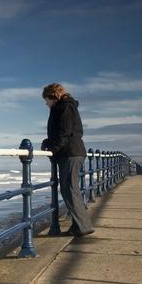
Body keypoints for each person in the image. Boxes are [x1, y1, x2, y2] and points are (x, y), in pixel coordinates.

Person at [41, 83, 95, 237]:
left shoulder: (64, 107)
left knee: (70, 189)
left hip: (70, 153)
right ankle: (78, 225)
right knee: (71, 189)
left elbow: (65, 132)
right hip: (71, 152)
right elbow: (62, 132)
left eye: (46, 100)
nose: (46, 103)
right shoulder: (64, 107)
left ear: (53, 96)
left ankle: (84, 226)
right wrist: (48, 142)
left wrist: (53, 149)